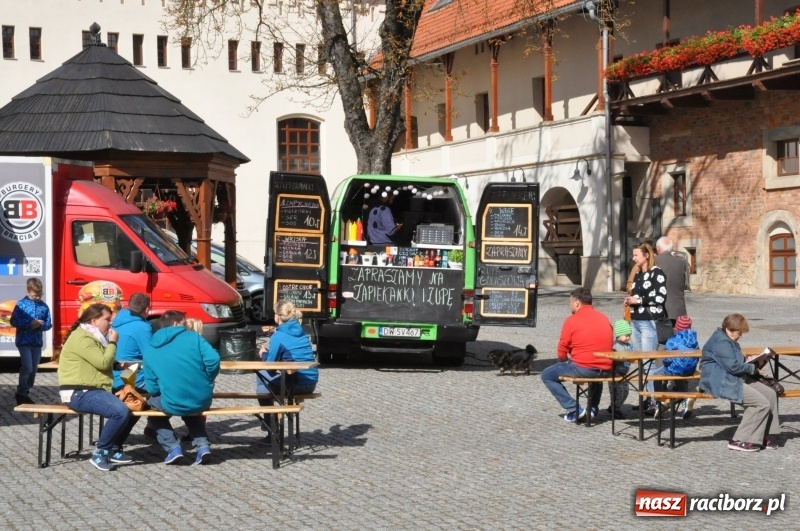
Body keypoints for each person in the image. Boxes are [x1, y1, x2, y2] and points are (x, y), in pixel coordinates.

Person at [57, 303, 137, 471]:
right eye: (107, 320)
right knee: (119, 411)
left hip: (92, 388)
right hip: (78, 392)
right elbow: (102, 362)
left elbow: (99, 361)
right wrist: (113, 343)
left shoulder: (94, 336)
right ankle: (101, 452)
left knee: (135, 405)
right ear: (94, 321)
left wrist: (116, 365)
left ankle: (114, 449)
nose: (110, 324)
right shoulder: (83, 338)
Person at [143, 311, 220, 465]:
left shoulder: (150, 348)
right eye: (184, 323)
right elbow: (213, 359)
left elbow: (152, 387)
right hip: (201, 397)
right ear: (177, 323)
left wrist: (164, 388)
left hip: (173, 400)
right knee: (192, 410)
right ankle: (203, 446)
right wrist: (208, 378)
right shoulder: (194, 337)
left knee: (153, 412)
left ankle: (173, 448)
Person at [699, 313, 781, 452]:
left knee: (770, 394)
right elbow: (734, 367)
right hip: (721, 381)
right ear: (728, 330)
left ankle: (761, 436)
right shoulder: (721, 342)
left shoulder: (728, 339)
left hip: (732, 376)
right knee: (760, 404)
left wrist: (750, 359)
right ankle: (739, 439)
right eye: (739, 332)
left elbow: (734, 362)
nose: (741, 336)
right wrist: (754, 366)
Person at [540, 288, 614, 422]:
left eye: (570, 302)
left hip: (583, 367)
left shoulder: (572, 320)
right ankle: (592, 408)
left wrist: (563, 361)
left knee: (547, 375)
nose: (570, 305)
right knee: (596, 373)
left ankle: (574, 408)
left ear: (577, 303)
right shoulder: (604, 318)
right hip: (606, 368)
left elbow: (562, 348)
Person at [256, 300, 318, 404]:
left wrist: (263, 353)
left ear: (278, 316)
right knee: (267, 383)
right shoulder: (301, 331)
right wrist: (274, 333)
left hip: (297, 383)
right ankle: (275, 416)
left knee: (261, 378)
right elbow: (288, 346)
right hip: (311, 383)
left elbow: (270, 368)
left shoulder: (278, 337)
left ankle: (270, 419)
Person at [646, 315, 700, 419]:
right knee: (678, 373)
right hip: (690, 369)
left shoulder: (673, 340)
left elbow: (667, 358)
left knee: (656, 375)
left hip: (676, 368)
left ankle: (660, 400)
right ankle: (686, 397)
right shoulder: (694, 339)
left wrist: (667, 364)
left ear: (676, 327)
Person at [10, 278, 52, 405]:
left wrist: (40, 326)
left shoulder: (44, 306)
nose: (38, 297)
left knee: (33, 369)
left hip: (37, 342)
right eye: (35, 295)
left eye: (40, 295)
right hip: (24, 341)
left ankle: (25, 392)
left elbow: (49, 324)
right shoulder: (21, 304)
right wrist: (29, 323)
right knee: (27, 367)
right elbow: (14, 321)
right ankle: (21, 393)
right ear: (28, 292)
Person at [623, 242, 667, 353]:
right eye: (633, 255)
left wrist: (638, 300)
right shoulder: (638, 274)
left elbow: (661, 298)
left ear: (646, 256)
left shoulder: (656, 273)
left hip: (649, 321)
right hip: (635, 321)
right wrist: (630, 300)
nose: (633, 258)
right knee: (640, 361)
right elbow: (638, 295)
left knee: (648, 362)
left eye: (636, 255)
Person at [112, 292, 152, 393]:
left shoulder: (115, 323)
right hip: (133, 380)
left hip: (113, 377)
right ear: (147, 309)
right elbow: (151, 357)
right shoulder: (142, 327)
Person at [655, 236, 690, 326]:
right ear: (671, 248)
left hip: (658, 308)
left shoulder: (654, 261)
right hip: (678, 308)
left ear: (658, 248)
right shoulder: (682, 262)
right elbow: (684, 284)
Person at [606, 319, 633, 417]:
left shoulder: (629, 345)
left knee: (625, 392)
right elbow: (612, 358)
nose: (628, 338)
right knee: (617, 392)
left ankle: (615, 407)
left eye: (629, 335)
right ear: (618, 335)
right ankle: (615, 409)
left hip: (625, 373)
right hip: (615, 373)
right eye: (626, 335)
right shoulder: (615, 346)